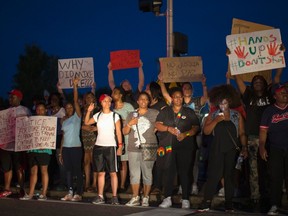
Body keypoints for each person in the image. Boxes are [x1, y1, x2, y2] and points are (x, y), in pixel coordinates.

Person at [227, 44, 285, 210]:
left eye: (260, 81)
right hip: (253, 137)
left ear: (265, 84)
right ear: (252, 85)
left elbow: (277, 77)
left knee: (272, 168)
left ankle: (273, 195)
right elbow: (237, 78)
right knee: (253, 169)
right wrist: (231, 58)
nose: (258, 82)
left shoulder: (270, 94)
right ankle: (255, 197)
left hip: (270, 138)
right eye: (255, 81)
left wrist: (281, 54)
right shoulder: (248, 95)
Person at [199, 84, 247, 212]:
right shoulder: (213, 115)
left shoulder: (236, 115)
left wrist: (244, 147)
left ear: (229, 102)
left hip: (231, 149)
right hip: (217, 149)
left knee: (229, 176)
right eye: (220, 103)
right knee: (213, 175)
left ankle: (229, 204)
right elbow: (207, 131)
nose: (222, 106)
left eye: (225, 103)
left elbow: (242, 133)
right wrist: (216, 121)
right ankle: (206, 202)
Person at [155, 87, 200, 209]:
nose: (178, 99)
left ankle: (185, 198)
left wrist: (186, 134)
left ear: (183, 98)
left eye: (180, 96)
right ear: (172, 98)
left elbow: (196, 127)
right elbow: (157, 124)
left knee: (185, 172)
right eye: (175, 96)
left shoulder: (189, 112)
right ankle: (167, 198)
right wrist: (168, 129)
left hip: (185, 147)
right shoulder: (165, 111)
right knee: (168, 172)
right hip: (169, 147)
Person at [84, 94, 123, 205]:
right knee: (100, 173)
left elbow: (118, 132)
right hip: (98, 146)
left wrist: (120, 146)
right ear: (101, 103)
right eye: (105, 101)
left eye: (109, 101)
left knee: (113, 173)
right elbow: (86, 122)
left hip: (111, 146)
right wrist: (88, 111)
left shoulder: (115, 116)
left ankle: (114, 197)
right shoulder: (98, 115)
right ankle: (100, 196)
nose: (107, 103)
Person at [123, 91, 159, 207]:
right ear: (137, 101)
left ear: (149, 101)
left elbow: (159, 126)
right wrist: (130, 124)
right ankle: (135, 197)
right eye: (141, 99)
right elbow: (125, 132)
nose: (143, 101)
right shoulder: (131, 114)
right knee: (134, 173)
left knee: (147, 173)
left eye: (146, 99)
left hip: (149, 146)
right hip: (133, 147)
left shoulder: (155, 113)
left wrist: (151, 134)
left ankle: (146, 197)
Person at [259, 83, 288, 215]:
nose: (285, 94)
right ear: (275, 96)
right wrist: (262, 146)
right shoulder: (269, 111)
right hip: (276, 148)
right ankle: (274, 205)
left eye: (286, 92)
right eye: (281, 93)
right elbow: (263, 131)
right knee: (276, 177)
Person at [0, 89, 31, 198]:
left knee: (19, 168)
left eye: (12, 97)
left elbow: (29, 126)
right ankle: (7, 189)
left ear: (19, 98)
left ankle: (22, 189)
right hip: (6, 145)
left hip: (19, 145)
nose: (10, 99)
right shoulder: (5, 112)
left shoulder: (25, 110)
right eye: (9, 97)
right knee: (6, 168)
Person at [20, 103, 51, 201]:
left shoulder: (50, 121)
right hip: (33, 149)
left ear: (45, 110)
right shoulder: (31, 121)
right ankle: (30, 194)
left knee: (44, 171)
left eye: (42, 109)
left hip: (45, 149)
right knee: (33, 172)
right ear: (35, 110)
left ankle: (44, 194)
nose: (40, 111)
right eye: (38, 109)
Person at [59, 77, 83, 202]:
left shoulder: (77, 117)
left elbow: (75, 100)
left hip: (76, 147)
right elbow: (63, 137)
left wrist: (75, 86)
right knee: (68, 170)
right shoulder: (64, 121)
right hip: (66, 149)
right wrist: (60, 151)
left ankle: (78, 193)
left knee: (77, 170)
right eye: (67, 107)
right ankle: (70, 191)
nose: (69, 109)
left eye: (70, 107)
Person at [111, 87, 134, 193]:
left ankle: (130, 184)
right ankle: (121, 184)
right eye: (112, 92)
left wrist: (125, 121)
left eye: (115, 92)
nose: (113, 94)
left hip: (128, 137)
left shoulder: (128, 106)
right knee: (121, 162)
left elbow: (135, 118)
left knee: (130, 162)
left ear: (120, 95)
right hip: (115, 138)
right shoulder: (111, 108)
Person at [47, 91, 66, 190]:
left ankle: (63, 183)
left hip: (59, 138)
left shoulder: (62, 111)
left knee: (60, 161)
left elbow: (64, 127)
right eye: (52, 98)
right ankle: (49, 183)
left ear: (59, 100)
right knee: (50, 162)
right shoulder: (48, 112)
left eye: (56, 98)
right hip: (49, 139)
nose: (54, 100)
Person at [81, 91, 99, 192]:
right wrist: (83, 126)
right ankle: (87, 182)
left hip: (94, 137)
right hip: (84, 137)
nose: (89, 99)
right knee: (86, 161)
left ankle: (94, 183)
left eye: (90, 97)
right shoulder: (82, 110)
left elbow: (98, 123)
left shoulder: (97, 109)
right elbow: (80, 123)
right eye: (87, 97)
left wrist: (93, 127)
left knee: (93, 161)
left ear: (94, 99)